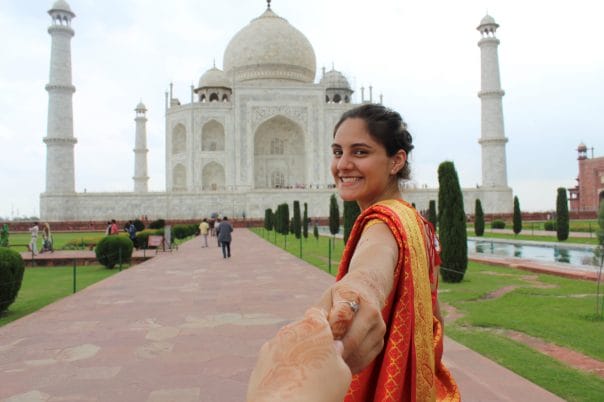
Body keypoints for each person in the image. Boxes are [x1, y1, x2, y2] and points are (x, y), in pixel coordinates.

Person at [248, 104, 459, 401]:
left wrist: (357, 295)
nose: (343, 165)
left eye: (360, 152)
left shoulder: (383, 224)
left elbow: (372, 267)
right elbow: (434, 319)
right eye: (337, 152)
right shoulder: (417, 222)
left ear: (396, 161)